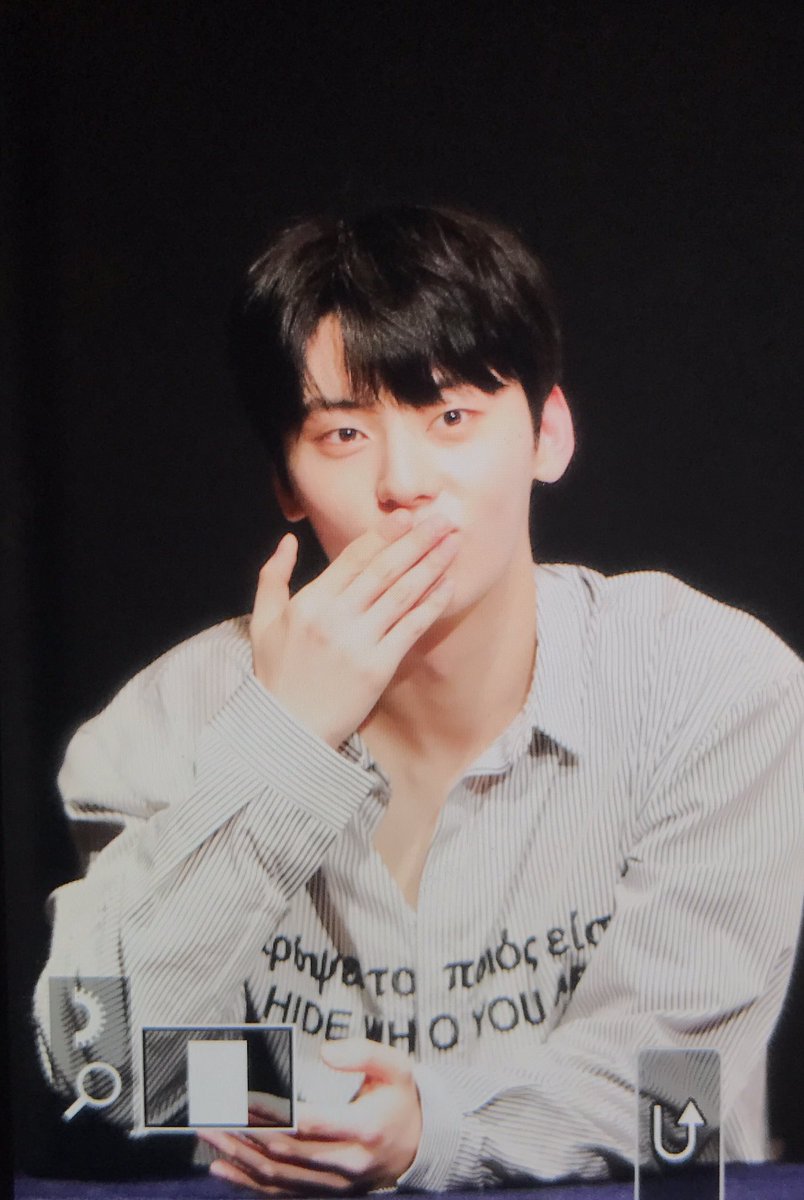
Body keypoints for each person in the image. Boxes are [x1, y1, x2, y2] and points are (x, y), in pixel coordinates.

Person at [34, 205, 803, 1194]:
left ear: (548, 434)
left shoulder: (713, 687)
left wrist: (432, 1131)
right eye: (344, 432)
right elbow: (110, 1074)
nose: (403, 483)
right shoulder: (163, 723)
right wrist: (282, 747)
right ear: (286, 483)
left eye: (451, 417)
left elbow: (676, 1094)